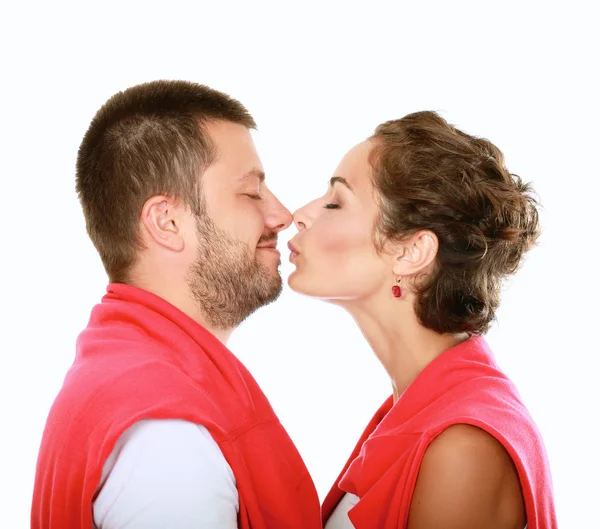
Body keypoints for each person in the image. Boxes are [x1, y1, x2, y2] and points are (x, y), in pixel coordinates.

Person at [31, 80, 321, 529]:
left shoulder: (119, 372)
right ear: (167, 222)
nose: (281, 214)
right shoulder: (167, 440)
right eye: (251, 192)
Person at [288, 111, 557, 529]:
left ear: (412, 252)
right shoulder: (410, 410)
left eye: (336, 202)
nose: (300, 214)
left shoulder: (462, 446)